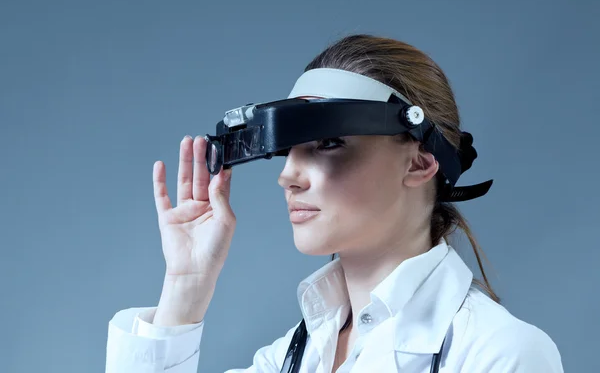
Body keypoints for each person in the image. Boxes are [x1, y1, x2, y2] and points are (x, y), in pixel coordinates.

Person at [105, 34, 563, 372]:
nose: (286, 175)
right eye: (289, 150)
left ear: (421, 164)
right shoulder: (291, 357)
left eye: (326, 143)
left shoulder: (501, 353)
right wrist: (186, 287)